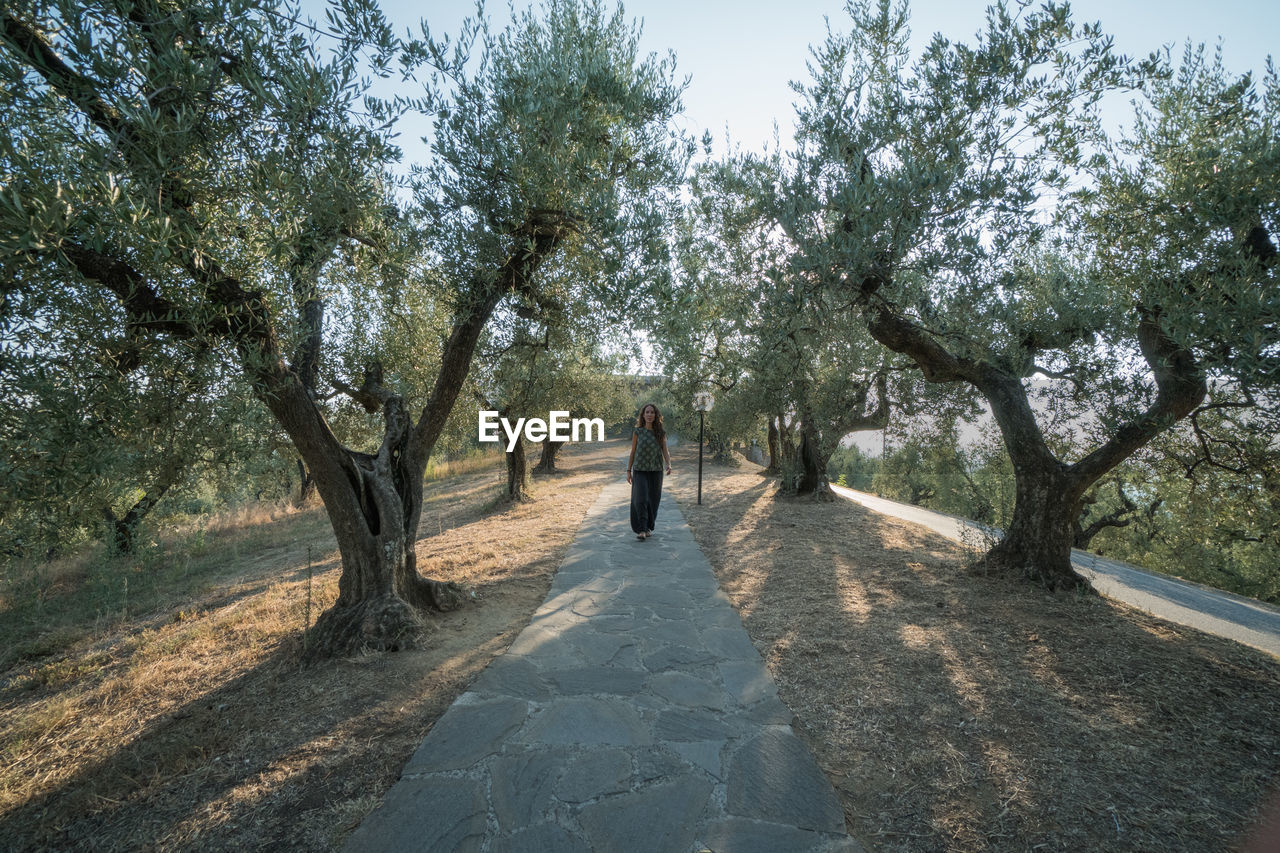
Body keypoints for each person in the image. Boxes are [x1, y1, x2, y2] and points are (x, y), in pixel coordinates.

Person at [627, 403, 672, 540]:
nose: (649, 414)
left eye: (652, 412)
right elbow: (633, 451)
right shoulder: (638, 432)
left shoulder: (660, 433)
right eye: (647, 412)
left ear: (656, 415)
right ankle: (641, 529)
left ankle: (647, 527)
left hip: (656, 470)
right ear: (643, 415)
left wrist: (669, 464)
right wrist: (629, 470)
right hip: (640, 470)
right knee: (640, 498)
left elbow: (665, 450)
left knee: (653, 500)